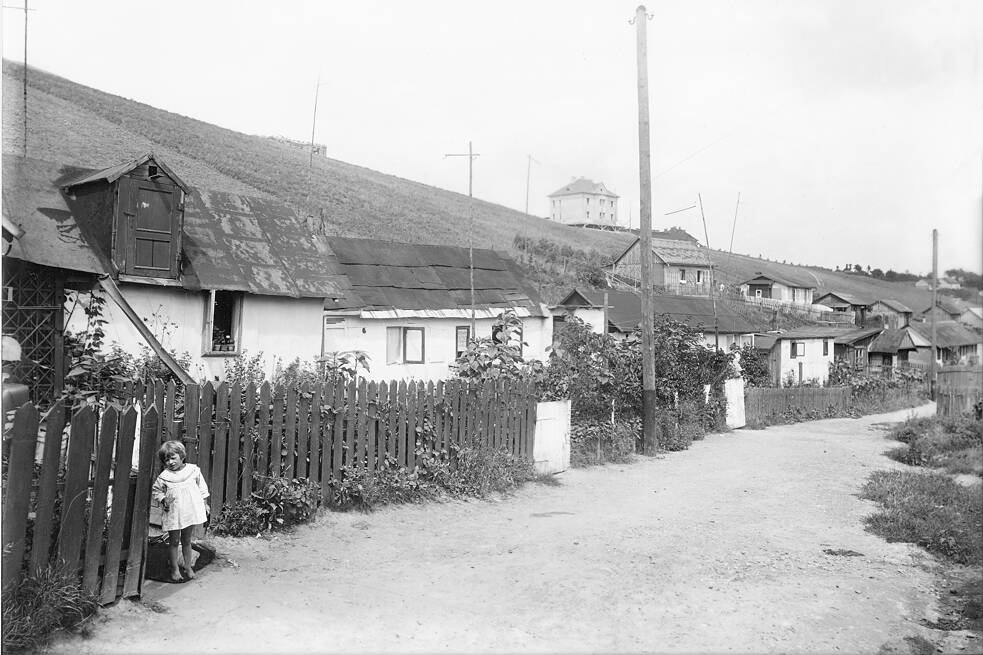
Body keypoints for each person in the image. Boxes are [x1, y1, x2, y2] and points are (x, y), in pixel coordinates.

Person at [152, 440, 209, 582]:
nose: (170, 462)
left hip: (189, 511)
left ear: (182, 456)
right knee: (174, 541)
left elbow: (203, 489)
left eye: (173, 458)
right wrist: (164, 499)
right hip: (174, 512)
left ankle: (188, 567)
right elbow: (156, 491)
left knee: (187, 540)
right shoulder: (164, 476)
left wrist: (205, 504)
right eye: (167, 460)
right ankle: (175, 569)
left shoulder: (193, 471)